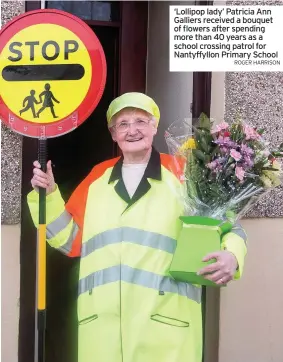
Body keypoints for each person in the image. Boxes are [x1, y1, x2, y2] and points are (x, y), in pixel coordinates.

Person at [27, 92, 247, 362]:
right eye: (123, 124)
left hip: (165, 328)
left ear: (155, 127)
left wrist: (232, 256)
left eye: (141, 121)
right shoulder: (97, 178)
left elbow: (230, 227)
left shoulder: (184, 172)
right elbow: (68, 241)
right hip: (102, 330)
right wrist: (49, 196)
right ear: (113, 134)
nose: (132, 130)